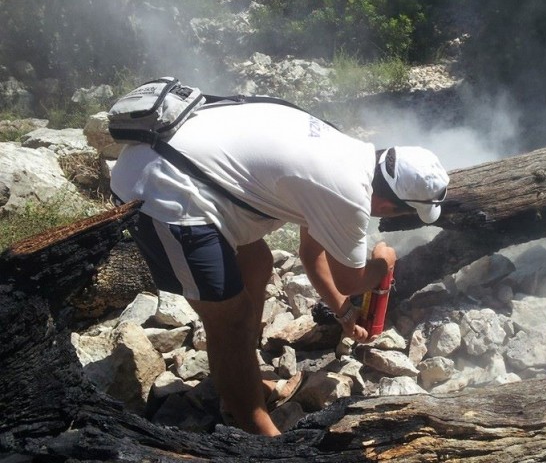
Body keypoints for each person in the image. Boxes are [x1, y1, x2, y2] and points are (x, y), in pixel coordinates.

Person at [109, 100, 449, 436]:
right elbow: (351, 279)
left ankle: (243, 380)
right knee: (230, 317)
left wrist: (344, 313)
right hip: (159, 189)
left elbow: (310, 252)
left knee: (256, 264)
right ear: (389, 206)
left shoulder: (349, 154)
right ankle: (257, 428)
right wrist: (383, 263)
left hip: (175, 166)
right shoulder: (348, 193)